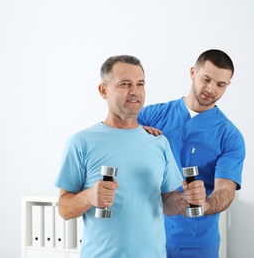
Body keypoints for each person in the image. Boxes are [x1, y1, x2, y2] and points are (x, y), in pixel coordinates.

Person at [54, 55, 206, 257]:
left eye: (140, 84)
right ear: (103, 90)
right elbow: (64, 209)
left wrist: (185, 199)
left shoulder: (158, 142)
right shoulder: (81, 142)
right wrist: (89, 196)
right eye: (125, 84)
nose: (134, 91)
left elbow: (167, 202)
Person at [138, 49, 246, 258]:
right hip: (146, 236)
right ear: (192, 72)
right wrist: (134, 132)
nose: (211, 89)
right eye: (206, 79)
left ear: (228, 85)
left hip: (195, 243)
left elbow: (225, 189)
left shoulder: (229, 136)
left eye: (220, 84)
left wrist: (206, 204)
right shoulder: (152, 116)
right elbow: (116, 133)